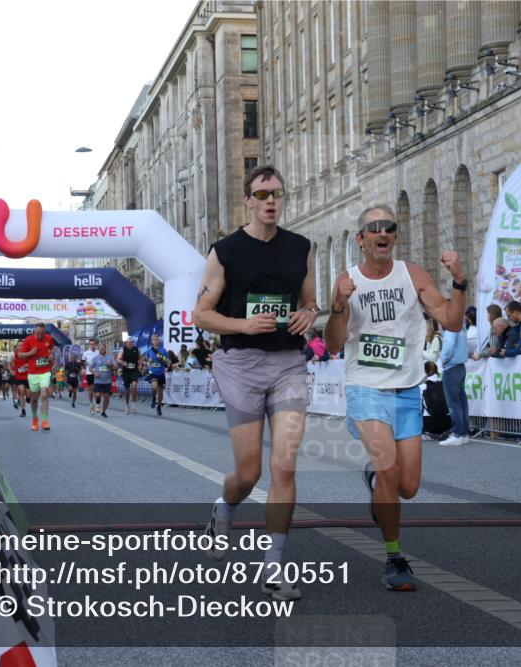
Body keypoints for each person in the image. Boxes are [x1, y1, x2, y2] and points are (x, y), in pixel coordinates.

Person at [324, 203, 466, 591]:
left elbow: (451, 320)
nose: (382, 233)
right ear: (362, 239)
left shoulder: (412, 274)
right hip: (365, 387)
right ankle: (394, 557)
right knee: (388, 469)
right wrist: (338, 306)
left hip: (406, 390)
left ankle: (377, 483)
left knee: (408, 487)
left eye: (389, 227)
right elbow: (334, 344)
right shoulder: (347, 280)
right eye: (374, 229)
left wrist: (459, 282)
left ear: (395, 235)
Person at [194, 164, 317, 602]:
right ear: (247, 199)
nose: (271, 201)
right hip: (240, 363)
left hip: (287, 363)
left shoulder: (300, 247)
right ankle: (223, 509)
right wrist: (243, 326)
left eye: (277, 194)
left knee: (285, 465)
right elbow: (201, 315)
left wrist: (310, 313)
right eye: (262, 194)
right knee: (249, 473)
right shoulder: (225, 251)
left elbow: (308, 299)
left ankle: (274, 567)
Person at [439, 314, 470, 447]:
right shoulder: (461, 328)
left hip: (451, 367)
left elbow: (449, 345)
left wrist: (444, 358)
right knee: (461, 402)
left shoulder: (451, 329)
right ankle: (463, 433)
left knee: (453, 403)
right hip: (461, 366)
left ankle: (458, 433)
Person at [18, 323, 56, 431]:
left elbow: (51, 351)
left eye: (42, 334)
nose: (40, 336)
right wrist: (31, 352)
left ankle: (45, 421)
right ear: (34, 332)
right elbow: (20, 355)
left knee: (44, 394)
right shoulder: (28, 340)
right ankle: (35, 420)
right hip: (33, 373)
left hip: (45, 371)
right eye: (38, 334)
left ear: (45, 333)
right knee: (34, 398)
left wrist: (51, 356)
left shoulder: (49, 338)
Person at [420, 361, 452, 441]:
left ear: (424, 371)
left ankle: (426, 433)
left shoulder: (422, 386)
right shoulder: (445, 384)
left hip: (429, 424)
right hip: (447, 423)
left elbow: (418, 407)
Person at [144, 333, 171, 415]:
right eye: (154, 339)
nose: (155, 341)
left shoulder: (163, 350)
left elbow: (168, 362)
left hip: (161, 372)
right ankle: (153, 398)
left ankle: (159, 406)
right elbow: (146, 362)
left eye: (157, 339)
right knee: (154, 386)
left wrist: (162, 359)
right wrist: (149, 362)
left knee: (160, 392)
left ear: (159, 341)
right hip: (152, 371)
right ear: (152, 341)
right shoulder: (149, 350)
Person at [90, 343, 118, 418]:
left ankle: (103, 411)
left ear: (105, 349)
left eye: (103, 348)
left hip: (107, 381)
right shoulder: (95, 358)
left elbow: (116, 367)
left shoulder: (110, 358)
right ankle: (97, 403)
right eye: (100, 348)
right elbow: (90, 368)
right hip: (98, 381)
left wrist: (110, 365)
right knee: (97, 395)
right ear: (98, 349)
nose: (102, 349)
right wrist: (94, 372)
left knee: (106, 396)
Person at [116, 338, 141, 414]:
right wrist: (123, 362)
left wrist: (140, 365)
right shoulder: (123, 350)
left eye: (131, 342)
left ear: (133, 343)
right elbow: (117, 359)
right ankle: (127, 405)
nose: (130, 344)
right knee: (126, 389)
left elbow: (140, 358)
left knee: (134, 386)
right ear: (126, 343)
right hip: (126, 372)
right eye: (128, 343)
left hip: (134, 371)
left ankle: (133, 403)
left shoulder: (136, 349)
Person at [81, 339, 101, 414]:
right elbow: (81, 362)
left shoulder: (99, 352)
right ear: (89, 345)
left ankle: (97, 405)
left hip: (98, 373)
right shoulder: (86, 353)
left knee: (98, 391)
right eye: (91, 344)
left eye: (94, 344)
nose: (92, 346)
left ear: (96, 345)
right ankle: (91, 404)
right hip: (89, 373)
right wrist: (83, 368)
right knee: (91, 391)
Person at [10, 344, 30, 416]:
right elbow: (10, 364)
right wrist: (11, 370)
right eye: (18, 346)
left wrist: (28, 364)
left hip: (28, 378)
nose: (19, 347)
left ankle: (28, 398)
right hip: (19, 378)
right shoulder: (13, 356)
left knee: (28, 394)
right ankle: (23, 411)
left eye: (21, 345)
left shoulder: (28, 354)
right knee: (21, 391)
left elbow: (34, 362)